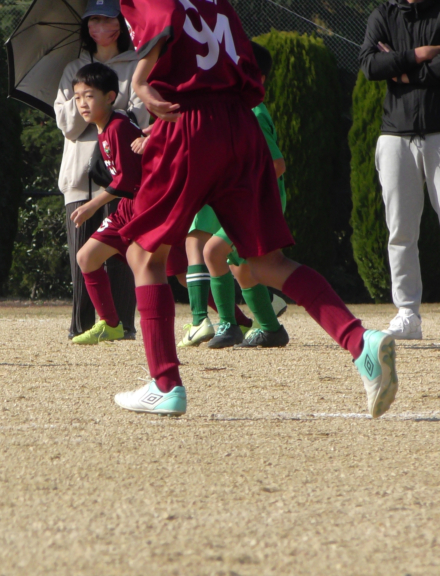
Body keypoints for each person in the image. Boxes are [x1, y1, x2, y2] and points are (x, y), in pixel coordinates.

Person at [112, 0, 399, 418]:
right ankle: (359, 341)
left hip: (189, 123)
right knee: (267, 262)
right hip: (240, 124)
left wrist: (140, 81)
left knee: (143, 255)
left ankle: (165, 384)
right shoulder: (218, 3)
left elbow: (163, 18)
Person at [359, 0, 440, 341]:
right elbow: (370, 64)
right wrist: (418, 54)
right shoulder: (383, 15)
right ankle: (407, 313)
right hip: (395, 136)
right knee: (399, 230)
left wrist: (401, 72)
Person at [55, 0, 147, 341]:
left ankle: (122, 326)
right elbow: (66, 124)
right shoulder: (73, 68)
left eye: (108, 19)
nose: (100, 27)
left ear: (121, 24)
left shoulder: (137, 63)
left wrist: (106, 109)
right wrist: (89, 99)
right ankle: (81, 327)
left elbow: (141, 115)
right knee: (82, 258)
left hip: (123, 178)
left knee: (121, 257)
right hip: (79, 177)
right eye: (93, 20)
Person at [196, 41, 289, 350]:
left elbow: (277, 164)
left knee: (213, 252)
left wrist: (243, 192)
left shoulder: (253, 112)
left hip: (257, 204)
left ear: (257, 78)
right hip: (248, 203)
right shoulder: (238, 110)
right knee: (241, 268)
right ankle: (271, 329)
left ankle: (229, 326)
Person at [69, 63, 143, 344]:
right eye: (77, 97)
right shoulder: (105, 129)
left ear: (110, 96)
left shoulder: (118, 127)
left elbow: (128, 180)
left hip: (144, 208)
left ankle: (234, 320)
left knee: (177, 270)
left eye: (89, 96)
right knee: (86, 257)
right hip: (128, 207)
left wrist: (92, 205)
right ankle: (110, 324)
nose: (82, 103)